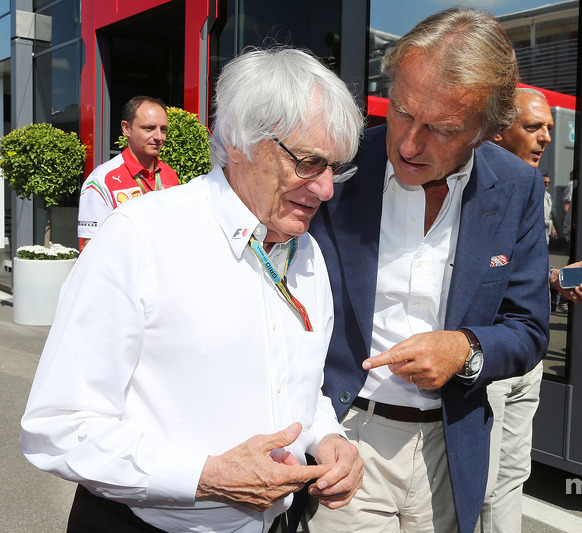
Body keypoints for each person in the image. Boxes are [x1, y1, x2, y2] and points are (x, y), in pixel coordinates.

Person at [20, 47, 365, 533]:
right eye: (309, 163)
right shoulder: (140, 237)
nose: (326, 189)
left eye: (335, 167)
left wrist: (328, 437)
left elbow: (298, 386)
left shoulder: (306, 252)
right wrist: (206, 477)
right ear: (244, 142)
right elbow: (58, 428)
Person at [299, 8, 550, 533]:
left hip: (450, 445)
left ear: (484, 130)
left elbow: (527, 328)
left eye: (441, 129)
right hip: (346, 437)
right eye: (401, 112)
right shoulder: (339, 167)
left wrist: (466, 349)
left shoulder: (518, 188)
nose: (408, 144)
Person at [485, 87, 582, 533]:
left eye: (549, 129)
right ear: (498, 132)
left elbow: (512, 275)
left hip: (526, 363)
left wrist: (554, 280)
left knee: (512, 478)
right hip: (490, 361)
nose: (546, 139)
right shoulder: (478, 189)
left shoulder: (532, 189)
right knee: (482, 482)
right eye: (533, 127)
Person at [77, 96, 180, 252]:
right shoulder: (101, 179)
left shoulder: (170, 174)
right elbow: (91, 247)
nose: (159, 137)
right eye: (149, 128)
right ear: (126, 128)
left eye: (163, 129)